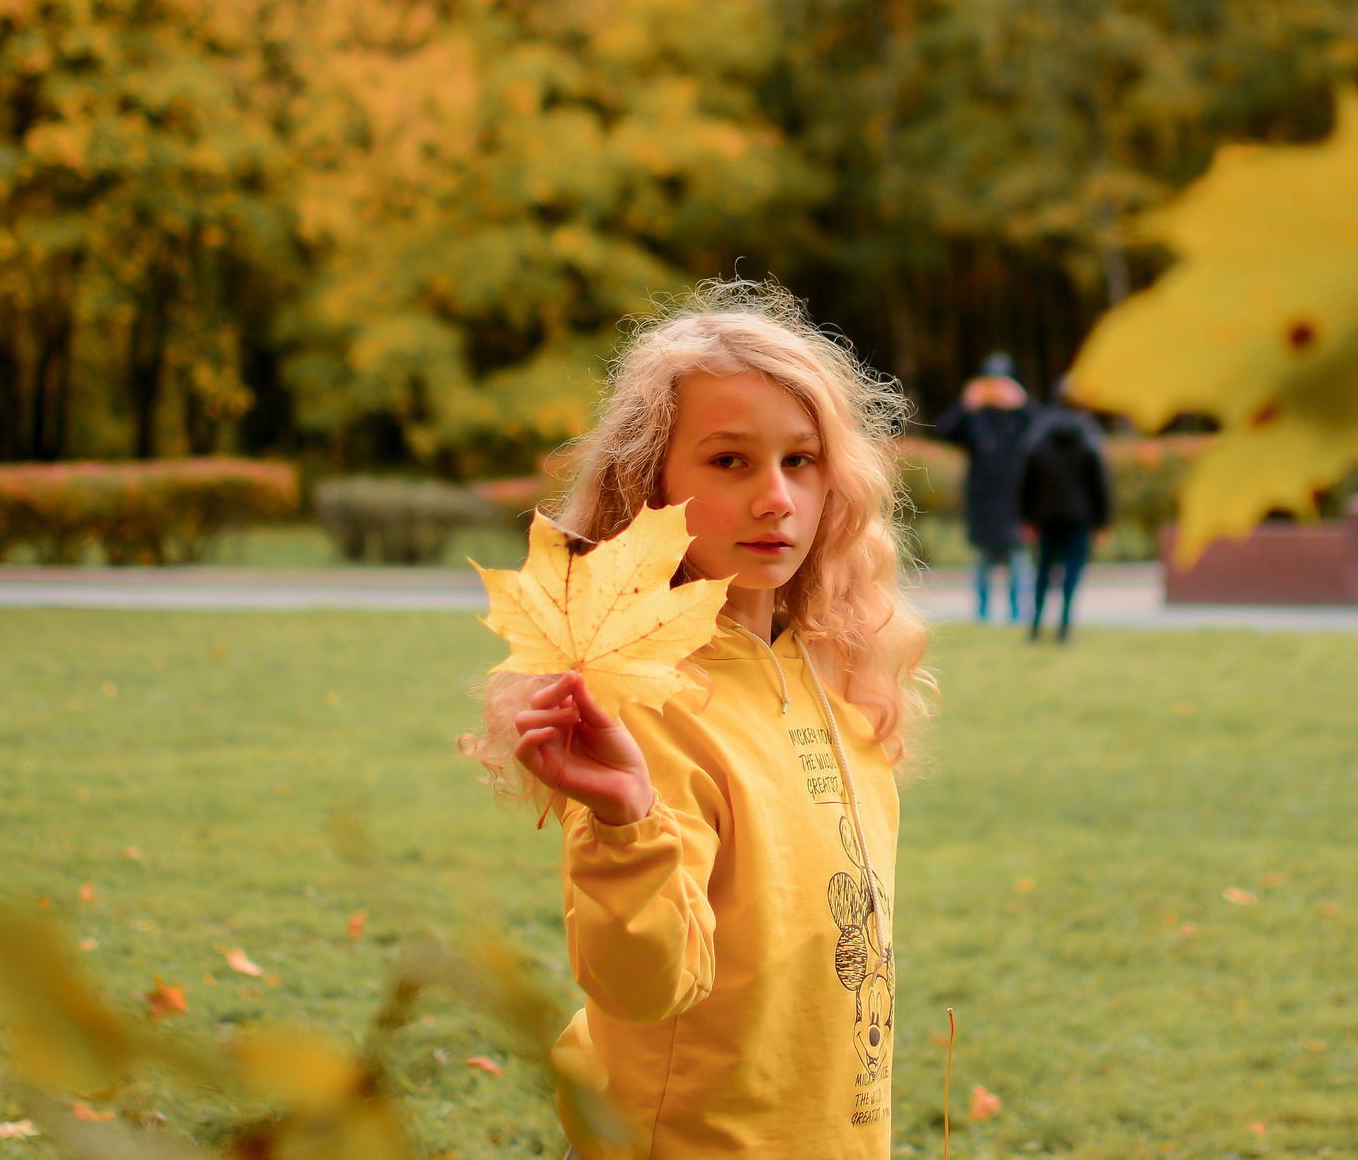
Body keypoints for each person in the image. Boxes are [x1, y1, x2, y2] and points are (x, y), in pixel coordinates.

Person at [476, 281, 930, 1158]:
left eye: (801, 460)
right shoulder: (641, 699)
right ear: (650, 482)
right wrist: (624, 821)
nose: (776, 497)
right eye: (729, 461)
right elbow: (644, 985)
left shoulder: (825, 667)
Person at [933, 354, 1035, 623]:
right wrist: (965, 405)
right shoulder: (976, 417)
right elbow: (942, 432)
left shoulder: (1021, 418)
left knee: (1018, 561)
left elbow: (1042, 430)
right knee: (982, 563)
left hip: (1015, 502)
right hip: (982, 503)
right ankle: (982, 616)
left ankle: (1018, 616)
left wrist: (1023, 404)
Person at [1018, 384, 1112, 643]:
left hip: (1046, 516)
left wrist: (1027, 518)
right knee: (1072, 572)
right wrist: (1102, 522)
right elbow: (1099, 483)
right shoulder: (1089, 433)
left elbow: (1027, 479)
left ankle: (1035, 626)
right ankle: (1065, 626)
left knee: (1043, 571)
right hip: (1078, 516)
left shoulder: (1039, 432)